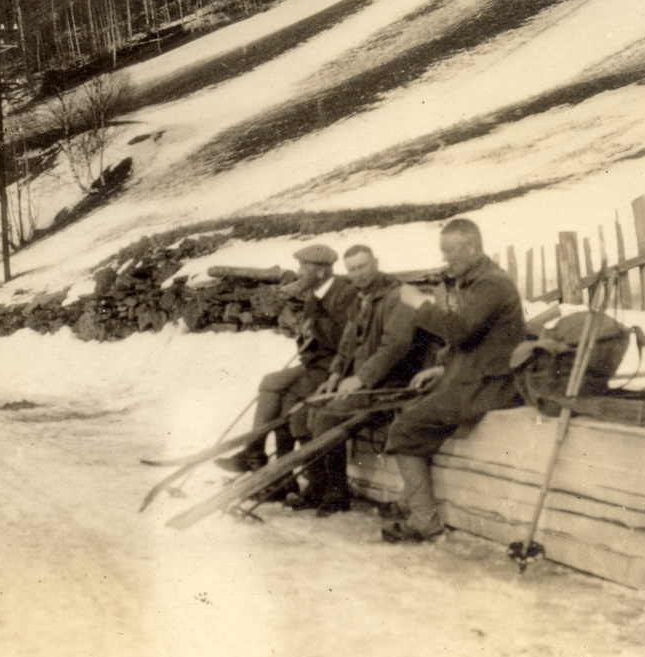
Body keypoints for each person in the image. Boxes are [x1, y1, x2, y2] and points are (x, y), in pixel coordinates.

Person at [381, 218, 526, 542]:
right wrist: (443, 368)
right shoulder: (477, 281)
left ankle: (423, 520)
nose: (446, 260)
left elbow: (459, 329)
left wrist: (421, 304)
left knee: (404, 429)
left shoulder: (491, 284)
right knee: (413, 411)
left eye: (451, 252)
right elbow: (471, 341)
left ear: (473, 247)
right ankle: (410, 501)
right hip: (475, 377)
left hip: (489, 385)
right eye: (443, 252)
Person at [291, 244, 420, 515]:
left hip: (390, 385)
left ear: (376, 262)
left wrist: (360, 378)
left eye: (363, 266)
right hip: (364, 382)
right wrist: (335, 374)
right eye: (352, 270)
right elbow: (348, 343)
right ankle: (318, 486)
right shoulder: (362, 298)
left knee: (325, 417)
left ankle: (338, 494)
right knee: (305, 413)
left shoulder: (396, 297)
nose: (358, 274)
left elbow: (395, 346)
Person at [215, 244, 357, 487]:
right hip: (315, 363)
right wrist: (302, 328)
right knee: (270, 381)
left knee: (287, 404)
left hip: (335, 367)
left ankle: (277, 472)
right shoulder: (315, 293)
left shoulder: (343, 294)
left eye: (304, 267)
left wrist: (311, 327)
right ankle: (255, 451)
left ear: (321, 272)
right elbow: (313, 334)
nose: (299, 272)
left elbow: (345, 337)